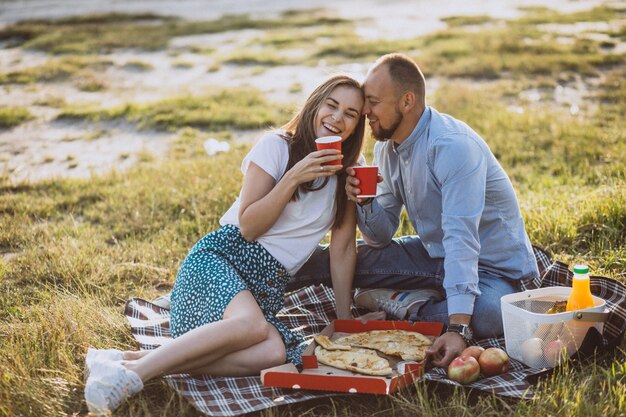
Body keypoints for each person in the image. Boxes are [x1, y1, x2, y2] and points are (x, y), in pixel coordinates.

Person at [83, 75, 368, 415]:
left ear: (357, 125)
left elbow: (342, 250)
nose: (337, 118)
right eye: (332, 106)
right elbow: (248, 227)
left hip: (264, 287)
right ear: (315, 106)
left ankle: (123, 361)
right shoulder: (277, 147)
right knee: (252, 326)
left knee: (273, 353)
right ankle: (132, 375)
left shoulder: (351, 172)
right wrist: (294, 176)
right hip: (221, 259)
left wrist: (345, 319)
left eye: (351, 113)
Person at [289, 53, 539, 368]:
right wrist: (366, 203)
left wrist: (458, 328)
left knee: (488, 314)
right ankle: (258, 278)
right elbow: (381, 236)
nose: (365, 111)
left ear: (407, 102)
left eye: (373, 102)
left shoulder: (453, 148)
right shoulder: (387, 148)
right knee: (349, 259)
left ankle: (407, 305)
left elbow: (462, 240)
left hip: (492, 269)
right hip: (435, 256)